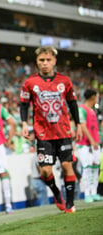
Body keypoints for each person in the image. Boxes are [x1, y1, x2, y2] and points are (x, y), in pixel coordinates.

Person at [20, 46, 82, 214]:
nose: (45, 63)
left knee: (67, 166)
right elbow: (24, 104)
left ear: (54, 61)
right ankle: (56, 192)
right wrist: (24, 123)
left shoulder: (65, 81)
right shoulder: (30, 83)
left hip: (63, 131)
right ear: (37, 62)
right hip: (43, 133)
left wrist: (78, 124)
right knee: (46, 170)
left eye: (48, 60)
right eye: (41, 60)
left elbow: (72, 103)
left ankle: (69, 204)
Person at [75, 89, 102, 203]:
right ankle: (87, 194)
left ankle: (94, 192)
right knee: (87, 168)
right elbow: (83, 125)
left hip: (95, 143)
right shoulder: (82, 109)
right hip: (86, 144)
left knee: (95, 169)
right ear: (93, 97)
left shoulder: (93, 110)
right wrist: (91, 140)